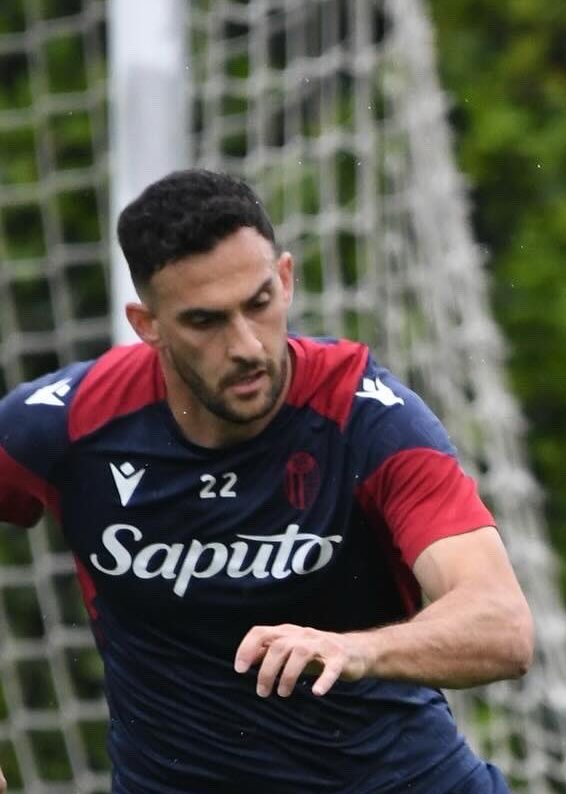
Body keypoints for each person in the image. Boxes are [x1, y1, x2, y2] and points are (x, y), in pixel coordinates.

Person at [0, 169, 532, 793]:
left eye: (259, 303)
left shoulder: (364, 417)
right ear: (148, 324)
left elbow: (502, 624)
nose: (248, 345)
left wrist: (357, 651)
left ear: (284, 278)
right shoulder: (72, 422)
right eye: (206, 321)